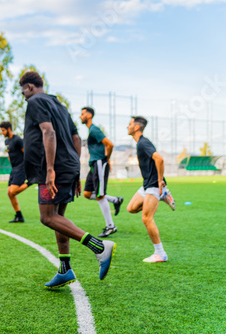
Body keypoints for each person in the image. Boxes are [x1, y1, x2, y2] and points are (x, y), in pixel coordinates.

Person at [20, 71, 115, 289]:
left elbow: (48, 132)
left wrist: (51, 169)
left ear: (31, 87)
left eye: (23, 89)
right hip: (69, 165)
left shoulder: (35, 101)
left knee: (47, 217)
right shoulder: (59, 105)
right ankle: (65, 269)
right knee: (59, 218)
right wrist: (75, 169)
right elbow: (76, 138)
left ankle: (99, 247)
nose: (23, 94)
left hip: (53, 167)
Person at [126, 116, 175, 263]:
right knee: (131, 208)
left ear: (136, 127)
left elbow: (159, 159)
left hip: (154, 184)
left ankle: (160, 253)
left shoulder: (143, 143)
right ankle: (164, 195)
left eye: (129, 124)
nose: (127, 127)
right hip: (147, 184)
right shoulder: (140, 143)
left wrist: (160, 181)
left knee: (147, 218)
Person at [79, 107, 124, 237]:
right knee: (87, 194)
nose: (80, 116)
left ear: (89, 115)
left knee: (100, 195)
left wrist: (106, 159)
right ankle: (115, 200)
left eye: (82, 114)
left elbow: (109, 144)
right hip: (94, 164)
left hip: (99, 163)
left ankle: (111, 226)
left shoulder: (94, 129)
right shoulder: (90, 131)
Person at [0, 121, 28, 223]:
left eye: (3, 130)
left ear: (9, 129)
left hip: (21, 168)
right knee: (9, 193)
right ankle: (19, 216)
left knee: (13, 191)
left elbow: (26, 153)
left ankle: (31, 182)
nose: (2, 133)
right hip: (14, 169)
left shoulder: (18, 140)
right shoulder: (7, 141)